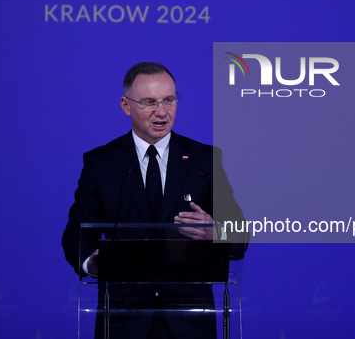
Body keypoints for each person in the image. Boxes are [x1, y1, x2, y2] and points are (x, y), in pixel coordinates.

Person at [62, 62, 247, 339]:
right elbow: (76, 234)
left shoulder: (204, 160)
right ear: (126, 105)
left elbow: (240, 235)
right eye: (149, 102)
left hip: (190, 319)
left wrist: (216, 230)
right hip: (123, 319)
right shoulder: (101, 163)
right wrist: (92, 262)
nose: (162, 112)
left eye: (169, 100)